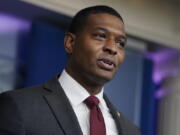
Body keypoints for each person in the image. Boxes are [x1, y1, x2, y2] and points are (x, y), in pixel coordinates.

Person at [0, 5, 141, 135]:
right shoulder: (18, 106)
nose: (112, 48)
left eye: (120, 43)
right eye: (100, 36)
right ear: (70, 43)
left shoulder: (131, 130)